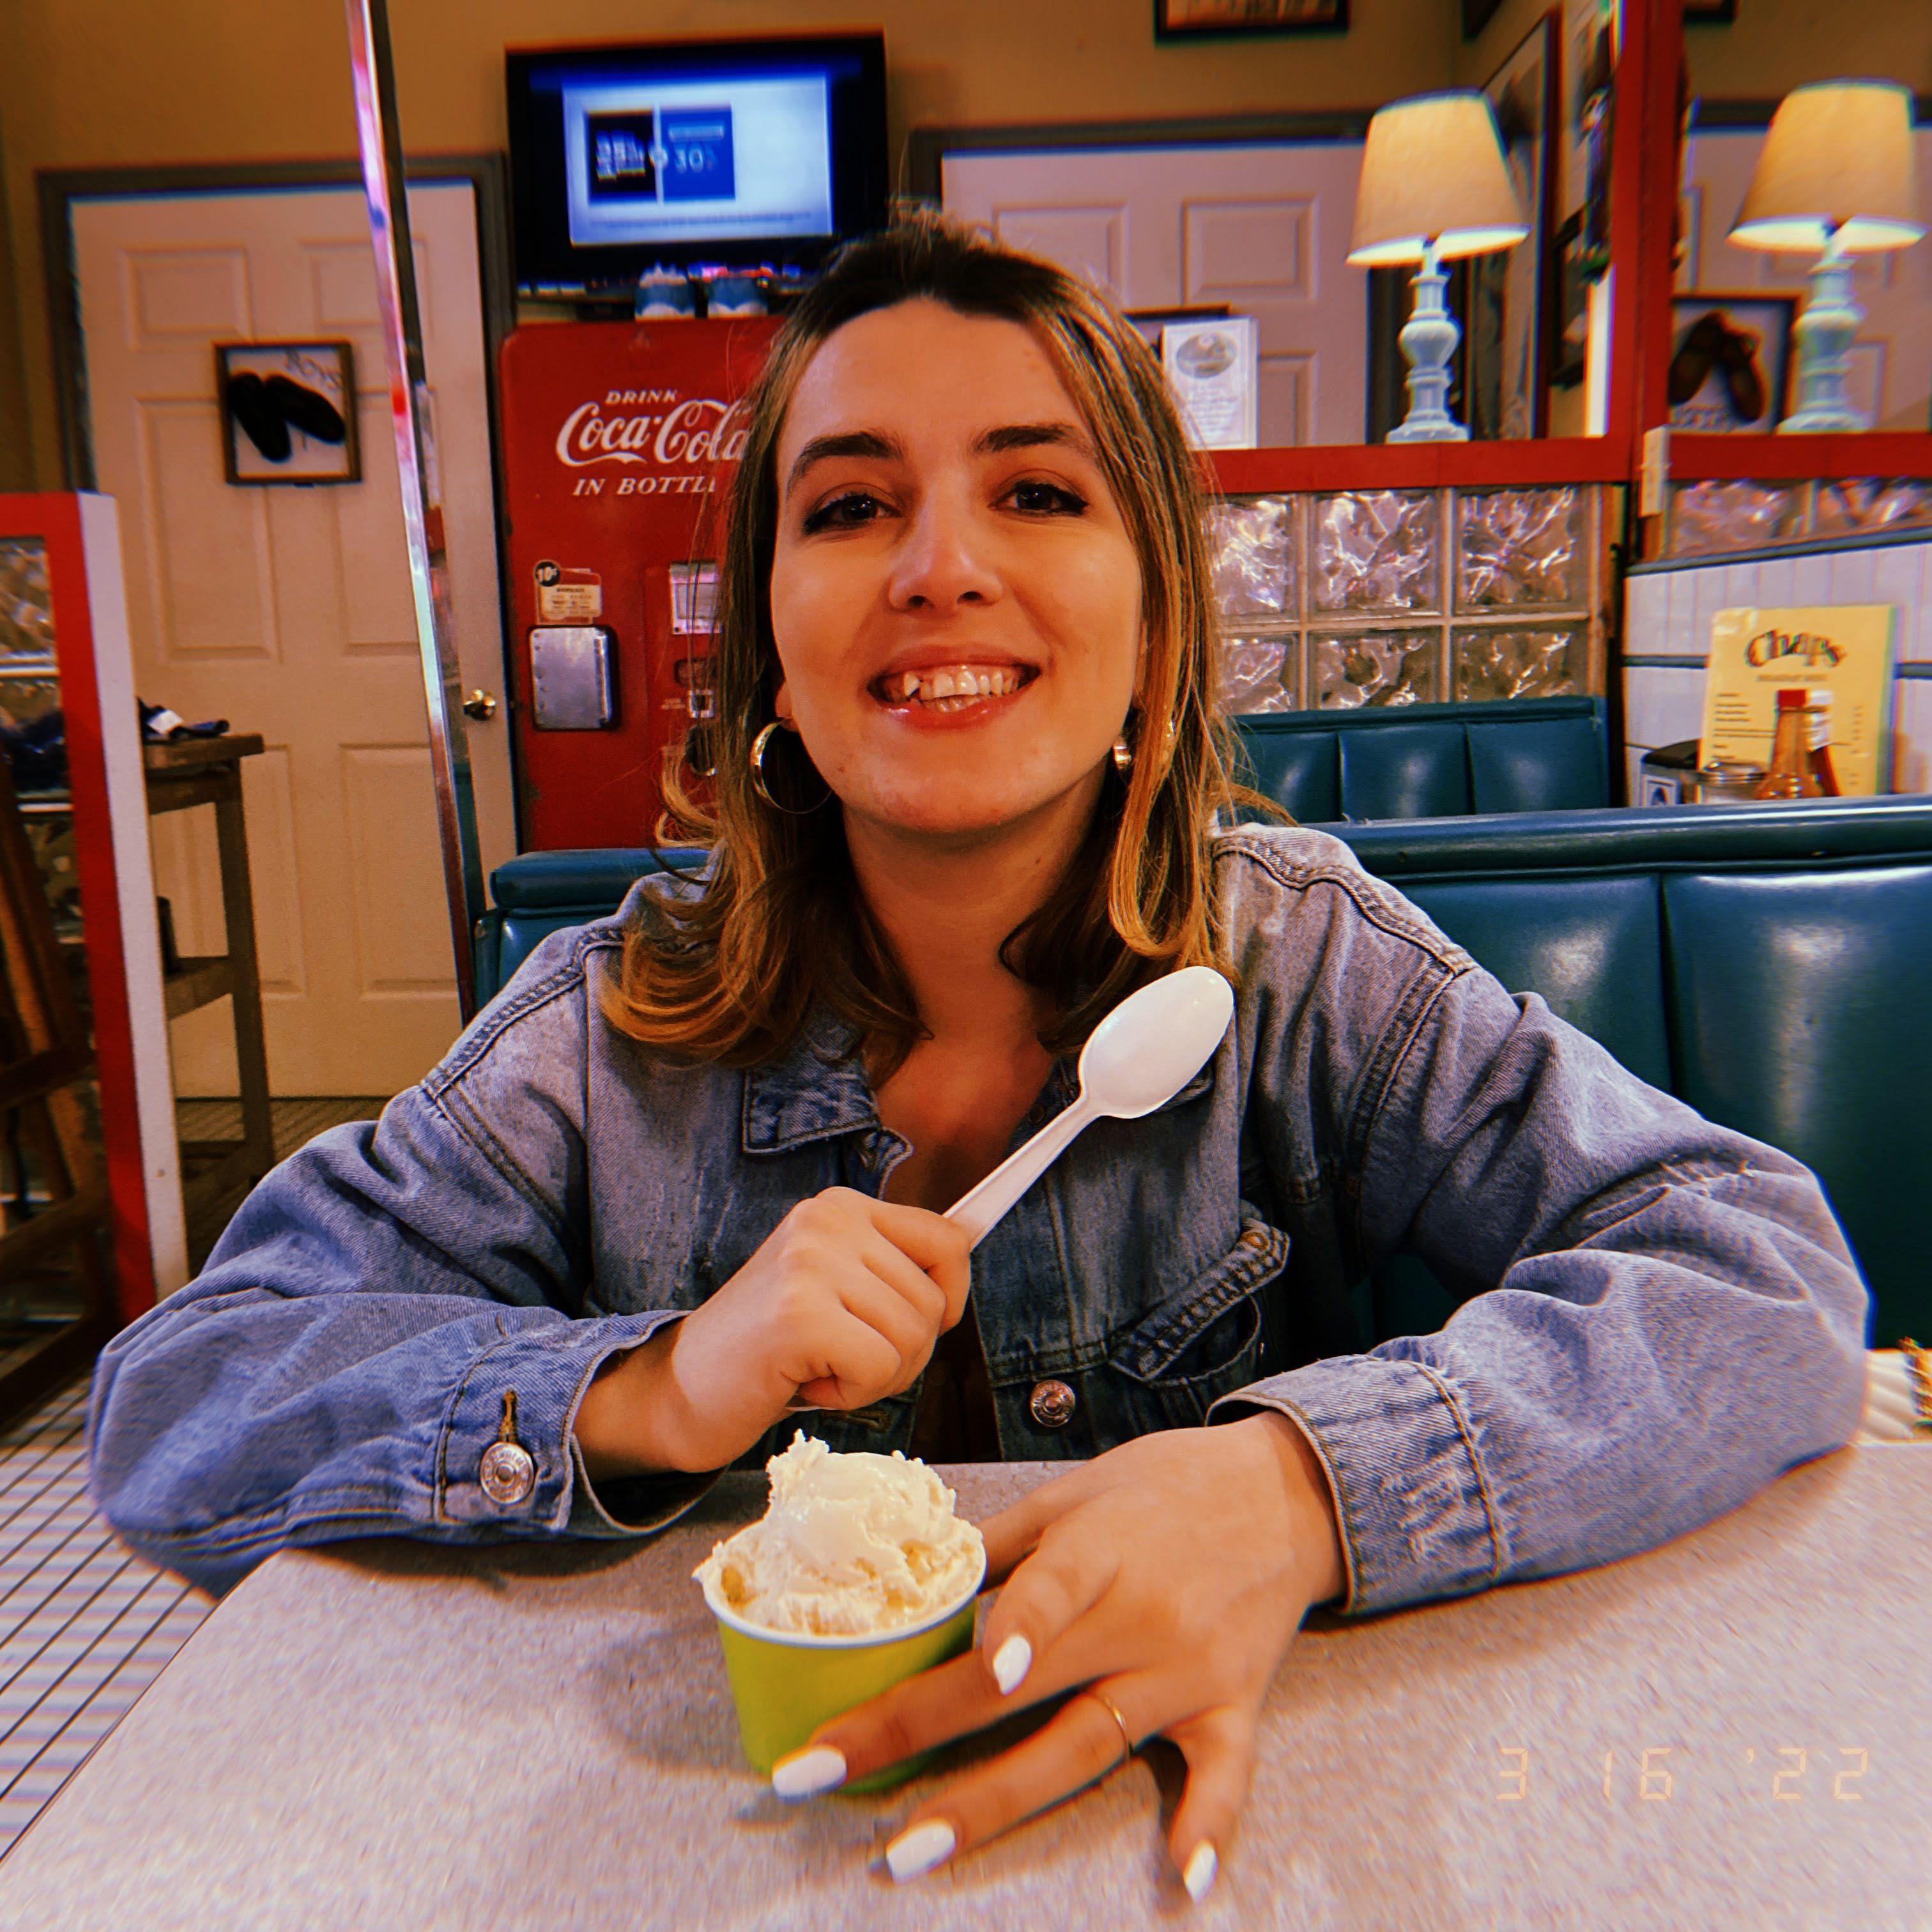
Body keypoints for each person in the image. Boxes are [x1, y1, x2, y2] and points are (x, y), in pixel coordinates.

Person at [88, 216, 1868, 1904]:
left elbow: (1759, 1266)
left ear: (1157, 625)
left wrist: (1306, 1489)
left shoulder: (1304, 971)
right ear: (769, 647)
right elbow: (180, 1406)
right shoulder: (601, 1034)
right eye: (852, 505)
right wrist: (651, 1391)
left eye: (1036, 491)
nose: (940, 567)